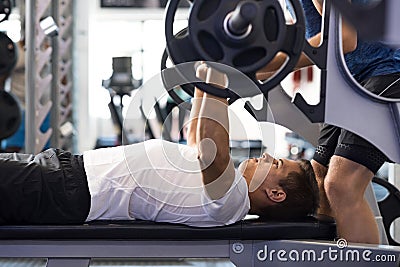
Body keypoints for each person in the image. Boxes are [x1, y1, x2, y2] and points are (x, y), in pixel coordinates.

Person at [0, 64, 319, 226]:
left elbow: (212, 151)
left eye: (275, 164)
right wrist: (203, 83)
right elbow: (198, 138)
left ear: (276, 194)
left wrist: (217, 84)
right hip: (68, 174)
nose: (266, 156)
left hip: (68, 189)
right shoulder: (227, 190)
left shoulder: (232, 202)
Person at [258, 0, 400, 244]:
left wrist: (262, 67)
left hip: (388, 70)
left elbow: (343, 38)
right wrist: (236, 77)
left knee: (341, 185)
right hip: (353, 79)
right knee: (318, 180)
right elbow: (297, 39)